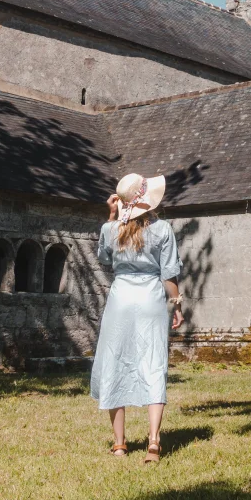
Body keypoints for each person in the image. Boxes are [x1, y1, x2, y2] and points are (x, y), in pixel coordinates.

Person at [90, 172, 184, 464]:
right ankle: (154, 443)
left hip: (120, 298)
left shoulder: (110, 229)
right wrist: (177, 305)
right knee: (153, 361)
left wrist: (111, 216)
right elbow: (168, 273)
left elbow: (104, 259)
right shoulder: (163, 229)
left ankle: (119, 444)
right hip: (150, 299)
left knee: (114, 361)